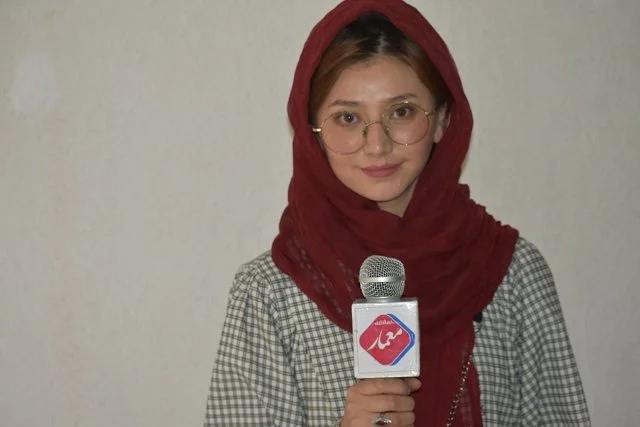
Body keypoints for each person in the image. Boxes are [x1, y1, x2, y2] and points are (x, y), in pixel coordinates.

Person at [203, 1, 591, 426]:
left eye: (402, 112)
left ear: (442, 119)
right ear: (313, 133)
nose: (377, 144)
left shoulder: (513, 274)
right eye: (347, 117)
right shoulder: (269, 293)